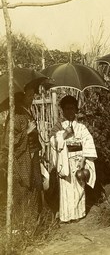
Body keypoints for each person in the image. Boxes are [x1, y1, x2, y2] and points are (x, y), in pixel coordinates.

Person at [50, 95, 97, 223]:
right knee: (66, 189)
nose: (69, 111)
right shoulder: (59, 126)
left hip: (78, 160)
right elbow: (53, 142)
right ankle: (66, 216)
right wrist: (64, 134)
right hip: (65, 161)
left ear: (76, 110)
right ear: (62, 111)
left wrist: (84, 159)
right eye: (66, 109)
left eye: (72, 108)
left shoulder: (81, 127)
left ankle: (78, 214)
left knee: (78, 188)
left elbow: (88, 142)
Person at [3, 86, 43, 228]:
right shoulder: (15, 115)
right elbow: (9, 141)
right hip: (22, 159)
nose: (32, 98)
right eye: (29, 96)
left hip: (32, 155)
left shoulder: (27, 112)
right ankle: (22, 225)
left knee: (35, 187)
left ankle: (34, 223)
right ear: (21, 96)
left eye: (33, 95)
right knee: (23, 189)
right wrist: (27, 131)